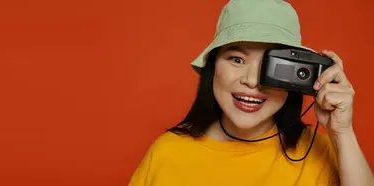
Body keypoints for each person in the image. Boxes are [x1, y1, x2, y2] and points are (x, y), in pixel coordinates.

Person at [128, 0, 374, 186]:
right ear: (213, 68)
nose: (252, 81)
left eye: (270, 65)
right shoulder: (167, 153)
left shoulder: (322, 151)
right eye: (237, 59)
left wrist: (342, 133)